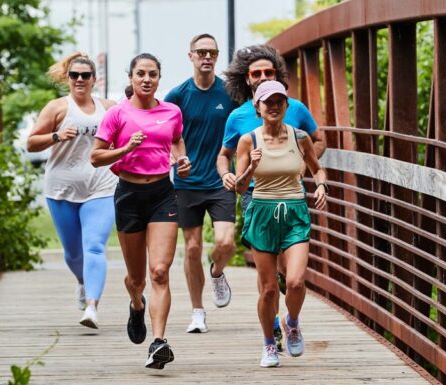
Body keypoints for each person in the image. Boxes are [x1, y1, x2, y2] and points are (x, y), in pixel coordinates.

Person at [218, 44, 326, 351]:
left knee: (292, 276)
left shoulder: (297, 112)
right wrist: (229, 174)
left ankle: (290, 320)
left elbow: (318, 142)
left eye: (269, 72)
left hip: (291, 198)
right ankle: (272, 330)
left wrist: (302, 166)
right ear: (247, 79)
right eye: (257, 73)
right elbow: (224, 155)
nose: (264, 77)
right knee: (268, 282)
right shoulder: (238, 118)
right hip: (256, 196)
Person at [90, 53, 191, 370]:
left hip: (162, 194)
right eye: (141, 74)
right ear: (131, 78)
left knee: (159, 271)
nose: (147, 79)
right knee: (136, 278)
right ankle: (136, 304)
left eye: (153, 74)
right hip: (129, 195)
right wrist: (125, 149)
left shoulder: (172, 112)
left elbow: (177, 141)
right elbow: (96, 157)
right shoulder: (117, 114)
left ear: (159, 78)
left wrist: (182, 159)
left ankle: (158, 342)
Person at [26, 52, 116, 330]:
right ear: (68, 78)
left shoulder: (109, 108)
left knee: (95, 246)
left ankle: (92, 307)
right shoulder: (57, 108)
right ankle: (82, 281)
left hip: (101, 186)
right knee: (74, 253)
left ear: (94, 79)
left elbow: (125, 137)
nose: (80, 80)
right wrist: (56, 135)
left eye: (85, 75)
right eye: (74, 75)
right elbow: (31, 143)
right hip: (62, 188)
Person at [164, 34, 239, 334]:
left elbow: (247, 126)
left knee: (226, 243)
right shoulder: (178, 95)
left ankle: (217, 273)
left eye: (212, 53)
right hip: (187, 183)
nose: (207, 57)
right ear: (191, 56)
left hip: (221, 179)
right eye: (201, 52)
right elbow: (166, 136)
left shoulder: (230, 93)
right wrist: (176, 159)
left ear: (217, 57)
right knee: (192, 247)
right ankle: (197, 312)